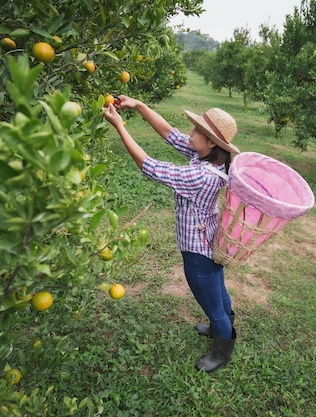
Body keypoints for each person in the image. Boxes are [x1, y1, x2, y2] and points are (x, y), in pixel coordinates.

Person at [102, 95, 240, 373]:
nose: (189, 134)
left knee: (210, 300)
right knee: (218, 291)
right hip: (208, 240)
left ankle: (222, 349)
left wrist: (120, 127)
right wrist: (139, 106)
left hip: (199, 251)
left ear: (211, 142)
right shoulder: (207, 159)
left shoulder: (202, 176)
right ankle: (219, 327)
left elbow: (150, 167)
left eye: (196, 131)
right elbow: (169, 134)